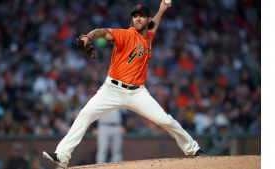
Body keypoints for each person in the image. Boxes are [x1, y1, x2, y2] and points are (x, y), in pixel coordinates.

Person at [43, 1, 207, 168]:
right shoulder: (125, 35)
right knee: (85, 114)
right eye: (135, 16)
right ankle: (62, 156)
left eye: (141, 17)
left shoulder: (148, 35)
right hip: (112, 89)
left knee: (166, 121)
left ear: (148, 19)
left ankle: (193, 149)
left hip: (138, 93)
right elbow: (102, 32)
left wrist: (162, 9)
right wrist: (88, 36)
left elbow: (154, 26)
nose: (137, 19)